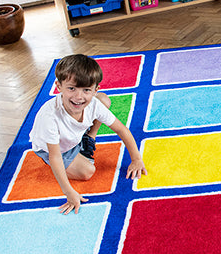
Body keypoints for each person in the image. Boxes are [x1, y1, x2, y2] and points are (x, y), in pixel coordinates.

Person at [29, 54, 146, 214]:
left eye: (86, 90)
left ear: (95, 89)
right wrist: (69, 192)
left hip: (73, 136)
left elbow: (121, 129)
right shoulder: (50, 117)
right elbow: (55, 156)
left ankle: (88, 137)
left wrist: (136, 159)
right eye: (71, 88)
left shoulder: (93, 102)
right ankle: (82, 146)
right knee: (87, 172)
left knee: (104, 100)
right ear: (58, 86)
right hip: (54, 149)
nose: (78, 97)